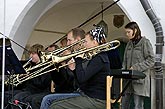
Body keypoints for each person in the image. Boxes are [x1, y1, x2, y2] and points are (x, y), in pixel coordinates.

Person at [48, 26, 111, 109]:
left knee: (55, 107)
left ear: (95, 42)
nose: (83, 44)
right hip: (88, 95)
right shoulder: (96, 57)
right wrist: (74, 69)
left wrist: (78, 59)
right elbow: (82, 80)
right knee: (54, 103)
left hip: (96, 100)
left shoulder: (100, 59)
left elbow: (82, 78)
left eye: (85, 41)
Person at [40, 28, 85, 109]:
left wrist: (69, 63)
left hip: (77, 92)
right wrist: (55, 66)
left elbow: (77, 83)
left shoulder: (82, 56)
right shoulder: (72, 56)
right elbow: (60, 82)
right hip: (64, 90)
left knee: (47, 100)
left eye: (69, 40)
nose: (68, 44)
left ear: (78, 40)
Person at [121, 21, 155, 109]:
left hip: (140, 81)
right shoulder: (129, 44)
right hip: (127, 81)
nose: (127, 34)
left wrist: (136, 68)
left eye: (128, 32)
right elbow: (125, 60)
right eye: (126, 32)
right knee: (124, 105)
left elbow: (151, 60)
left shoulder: (145, 42)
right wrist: (123, 71)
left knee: (138, 106)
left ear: (135, 30)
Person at [12, 44, 52, 108]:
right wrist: (21, 77)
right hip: (27, 89)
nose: (30, 56)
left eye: (33, 54)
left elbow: (41, 84)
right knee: (6, 95)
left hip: (37, 91)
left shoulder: (45, 67)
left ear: (39, 54)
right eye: (30, 53)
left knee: (16, 98)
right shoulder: (31, 65)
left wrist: (29, 75)